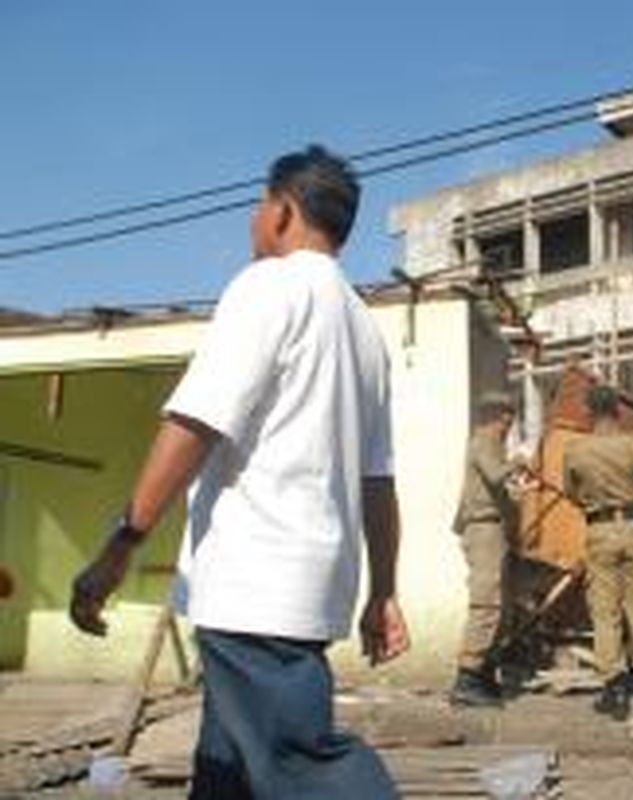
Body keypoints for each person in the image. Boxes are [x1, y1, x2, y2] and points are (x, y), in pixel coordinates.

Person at [69, 145, 409, 799]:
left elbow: (195, 421)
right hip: (306, 589)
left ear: (282, 212)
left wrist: (123, 544)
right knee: (227, 774)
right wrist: (384, 590)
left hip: (257, 587)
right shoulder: (364, 330)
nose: (253, 223)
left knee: (306, 767)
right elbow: (379, 481)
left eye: (259, 206)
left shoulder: (268, 287)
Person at [562, 384, 633, 720]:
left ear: (589, 412)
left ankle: (614, 685)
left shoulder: (575, 450)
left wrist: (596, 502)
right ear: (618, 411)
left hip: (599, 530)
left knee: (605, 611)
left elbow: (571, 494)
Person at [450, 391, 524, 707]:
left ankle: (482, 674)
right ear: (500, 417)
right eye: (509, 419)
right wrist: (517, 463)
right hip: (483, 529)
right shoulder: (482, 442)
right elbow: (495, 475)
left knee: (501, 606)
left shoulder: (491, 445)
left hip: (493, 528)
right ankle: (467, 679)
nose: (510, 427)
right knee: (487, 603)